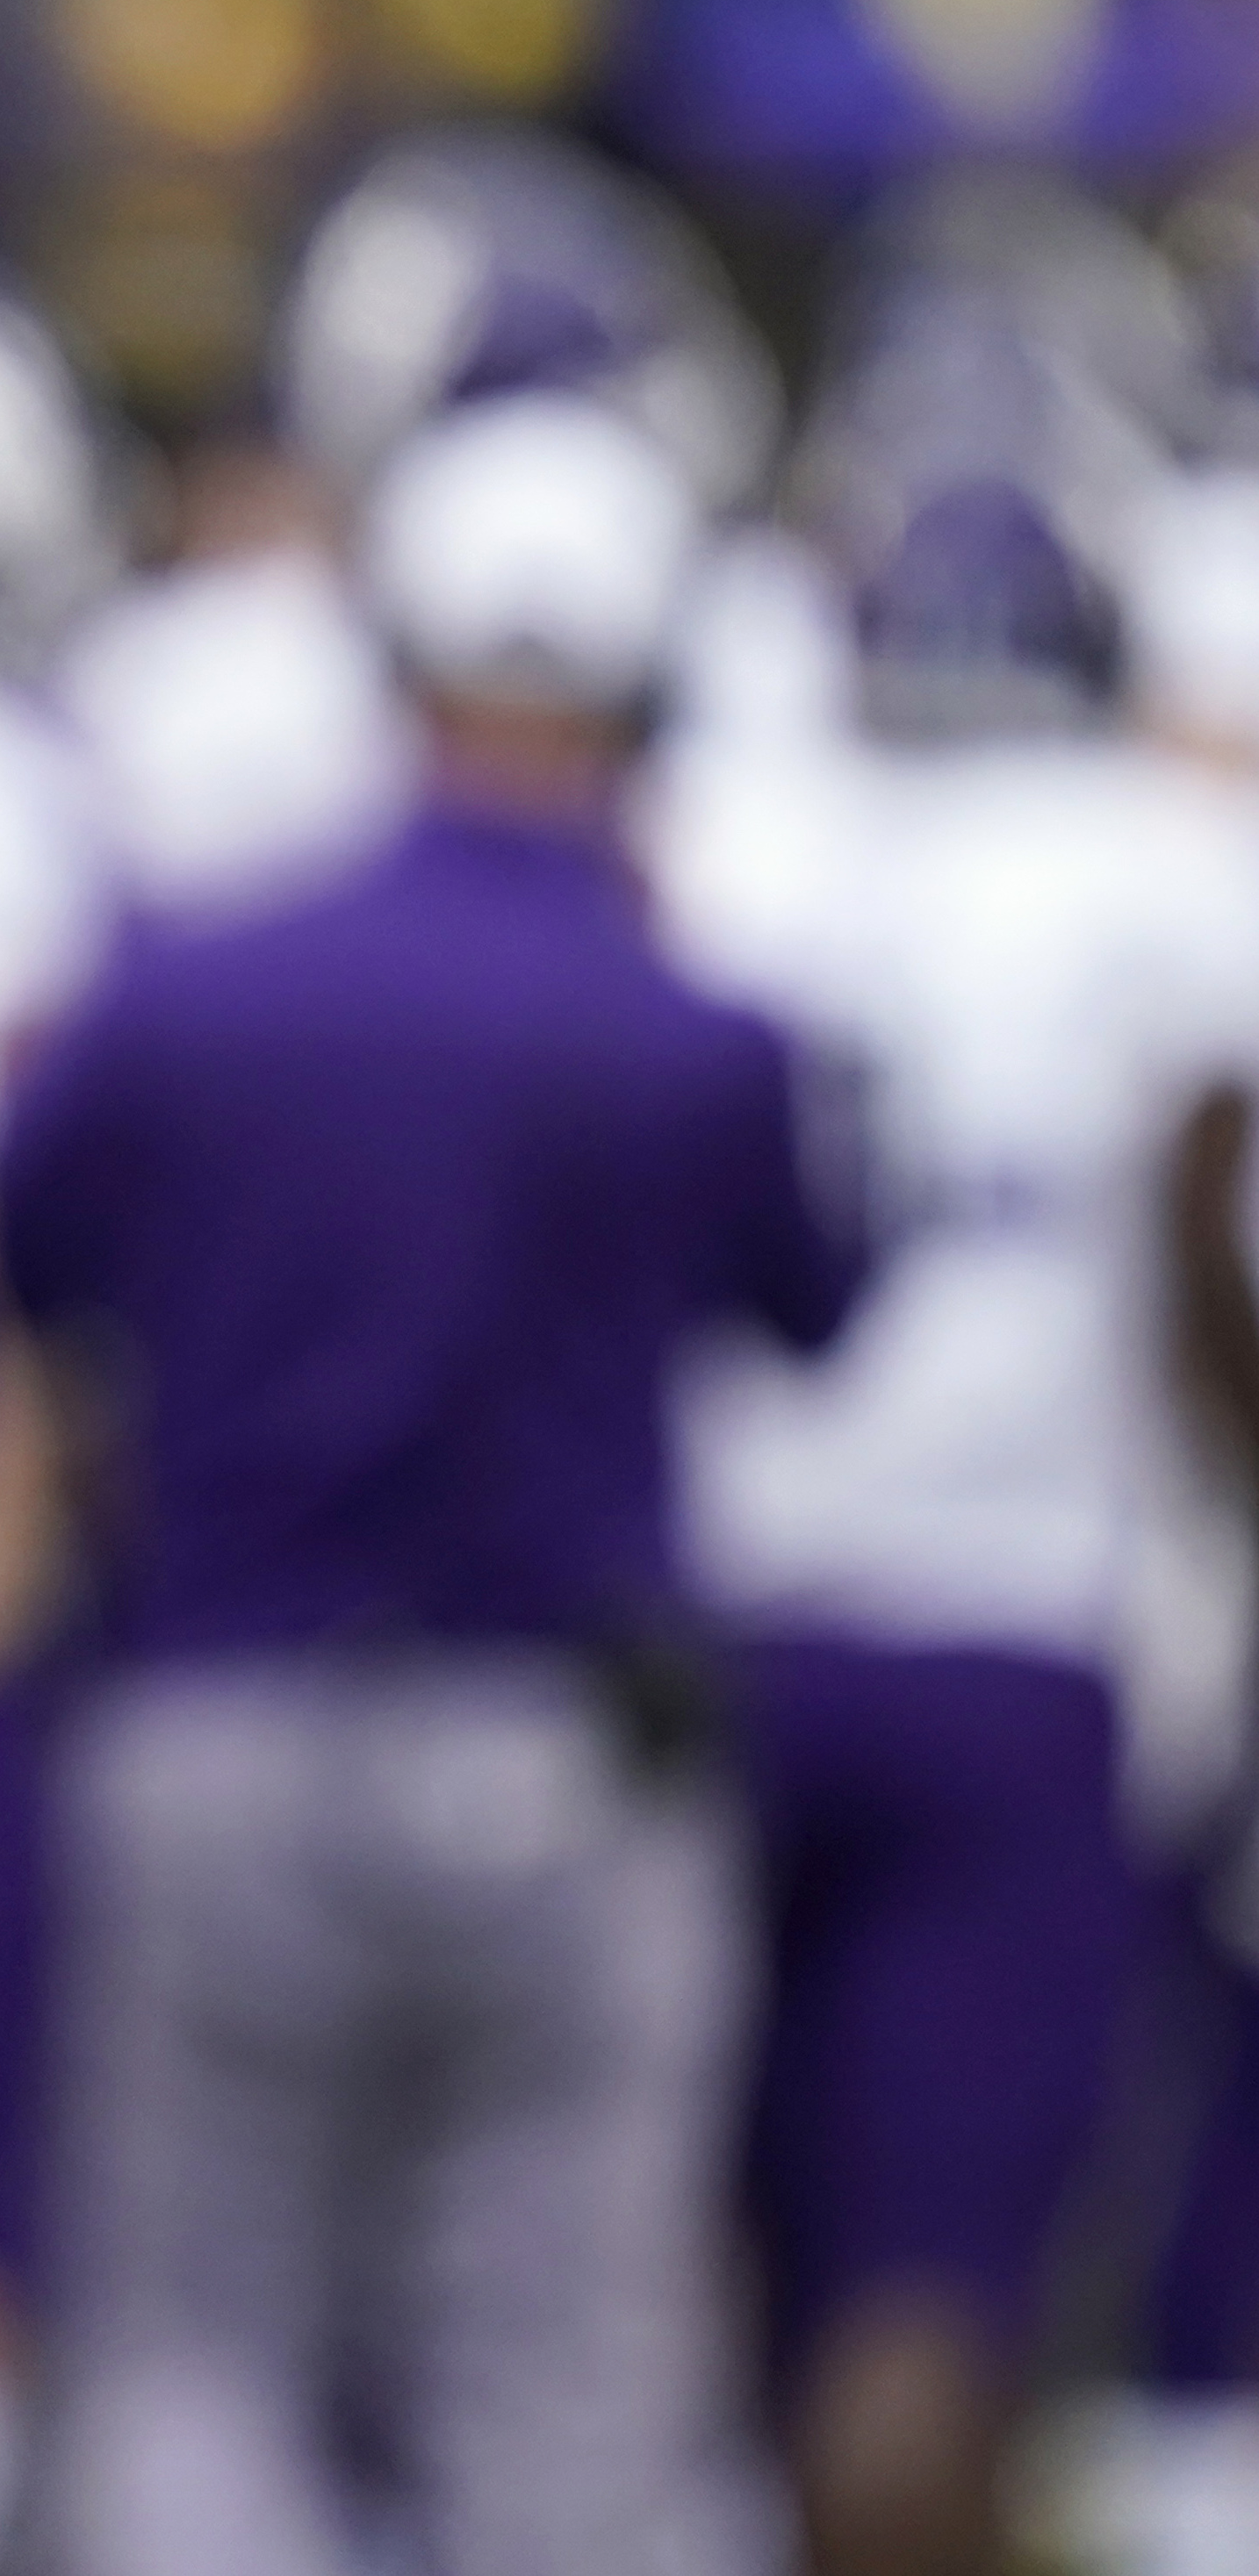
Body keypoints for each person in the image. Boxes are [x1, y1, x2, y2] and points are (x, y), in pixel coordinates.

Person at [0, 395, 863, 2576]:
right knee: (558, 2375)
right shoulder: (685, 1021)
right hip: (559, 1741)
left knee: (199, 2354)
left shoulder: (191, 985)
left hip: (218, 1713)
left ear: (392, 661)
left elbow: (30, 1245)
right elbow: (811, 1295)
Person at [657, 412, 1259, 2576]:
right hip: (1017, 1636)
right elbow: (1214, 1256)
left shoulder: (731, 832)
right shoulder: (1167, 862)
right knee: (930, 2292)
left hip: (714, 1628)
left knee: (713, 2271)